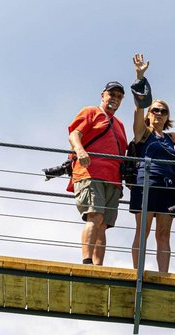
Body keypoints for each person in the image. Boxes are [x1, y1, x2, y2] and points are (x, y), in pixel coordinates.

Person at [129, 54, 175, 273]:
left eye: (163, 111)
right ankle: (138, 273)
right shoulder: (143, 132)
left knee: (164, 234)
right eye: (155, 110)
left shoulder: (170, 138)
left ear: (167, 117)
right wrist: (140, 77)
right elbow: (138, 111)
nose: (158, 113)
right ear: (149, 114)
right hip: (146, 183)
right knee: (143, 231)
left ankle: (163, 275)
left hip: (167, 187)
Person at [68, 80, 128, 266]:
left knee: (103, 224)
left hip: (113, 179)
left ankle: (97, 267)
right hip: (90, 172)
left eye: (119, 96)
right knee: (94, 216)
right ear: (103, 95)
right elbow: (74, 134)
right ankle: (86, 262)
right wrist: (80, 151)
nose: (115, 98)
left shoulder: (119, 124)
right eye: (111, 94)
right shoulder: (90, 111)